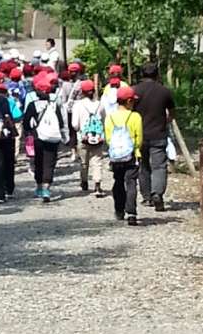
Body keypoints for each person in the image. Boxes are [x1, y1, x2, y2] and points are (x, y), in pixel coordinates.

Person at [133, 62, 175, 212]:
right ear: (157, 74)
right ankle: (157, 193)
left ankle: (146, 197)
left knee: (143, 166)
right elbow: (172, 112)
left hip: (139, 135)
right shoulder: (164, 91)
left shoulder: (134, 91)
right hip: (159, 133)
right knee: (159, 166)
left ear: (141, 74)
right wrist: (166, 121)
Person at [24, 77, 68, 203]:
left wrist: (29, 132)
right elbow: (60, 122)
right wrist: (64, 135)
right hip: (53, 137)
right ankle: (46, 188)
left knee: (38, 161)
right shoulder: (54, 105)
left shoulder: (33, 105)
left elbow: (26, 122)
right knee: (50, 162)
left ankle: (39, 186)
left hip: (38, 136)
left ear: (37, 92)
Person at [105, 86, 143, 226]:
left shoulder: (110, 117)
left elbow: (108, 138)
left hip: (116, 156)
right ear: (128, 101)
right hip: (132, 155)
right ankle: (131, 213)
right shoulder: (135, 117)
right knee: (131, 182)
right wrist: (135, 148)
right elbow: (139, 138)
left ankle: (119, 210)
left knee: (118, 181)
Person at [72, 80, 105, 196]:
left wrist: (79, 130)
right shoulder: (100, 105)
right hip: (98, 137)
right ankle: (97, 185)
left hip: (83, 137)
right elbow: (103, 120)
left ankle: (84, 181)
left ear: (82, 92)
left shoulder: (78, 105)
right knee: (97, 161)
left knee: (83, 162)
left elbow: (75, 124)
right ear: (94, 91)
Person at [62, 62, 83, 162]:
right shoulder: (82, 84)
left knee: (72, 131)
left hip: (70, 110)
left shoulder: (65, 85)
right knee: (80, 130)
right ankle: (81, 150)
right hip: (81, 109)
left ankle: (73, 152)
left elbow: (63, 100)